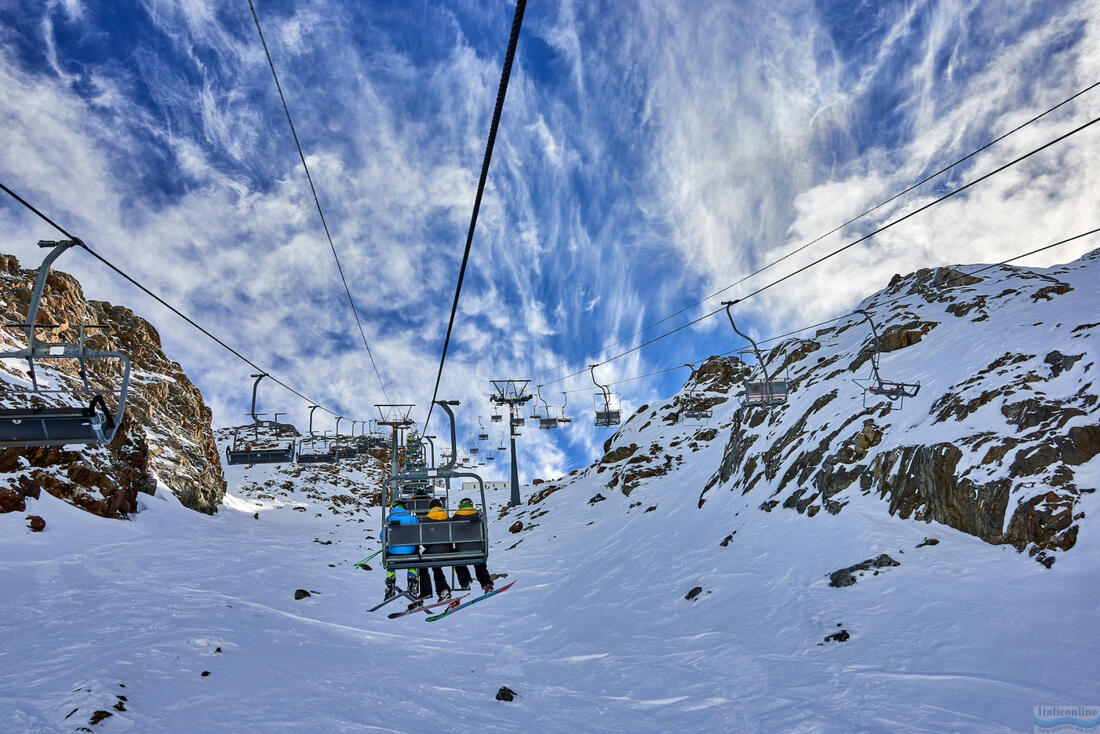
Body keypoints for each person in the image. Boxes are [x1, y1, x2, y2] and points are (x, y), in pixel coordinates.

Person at [380, 499, 420, 601]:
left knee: (389, 559)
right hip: (410, 552)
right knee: (413, 560)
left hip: (394, 552)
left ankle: (390, 582)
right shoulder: (412, 519)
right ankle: (412, 581)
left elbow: (382, 537)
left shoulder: (389, 519)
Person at [451, 497, 493, 593]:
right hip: (477, 548)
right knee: (480, 564)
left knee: (458, 560)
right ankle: (486, 583)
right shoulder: (478, 514)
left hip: (461, 548)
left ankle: (465, 582)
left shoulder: (456, 516)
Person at [422, 499, 454, 602]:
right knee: (436, 567)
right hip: (448, 550)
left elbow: (424, 541)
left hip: (432, 551)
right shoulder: (448, 518)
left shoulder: (426, 520)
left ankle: (426, 591)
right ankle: (443, 590)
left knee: (423, 563)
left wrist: (429, 547)